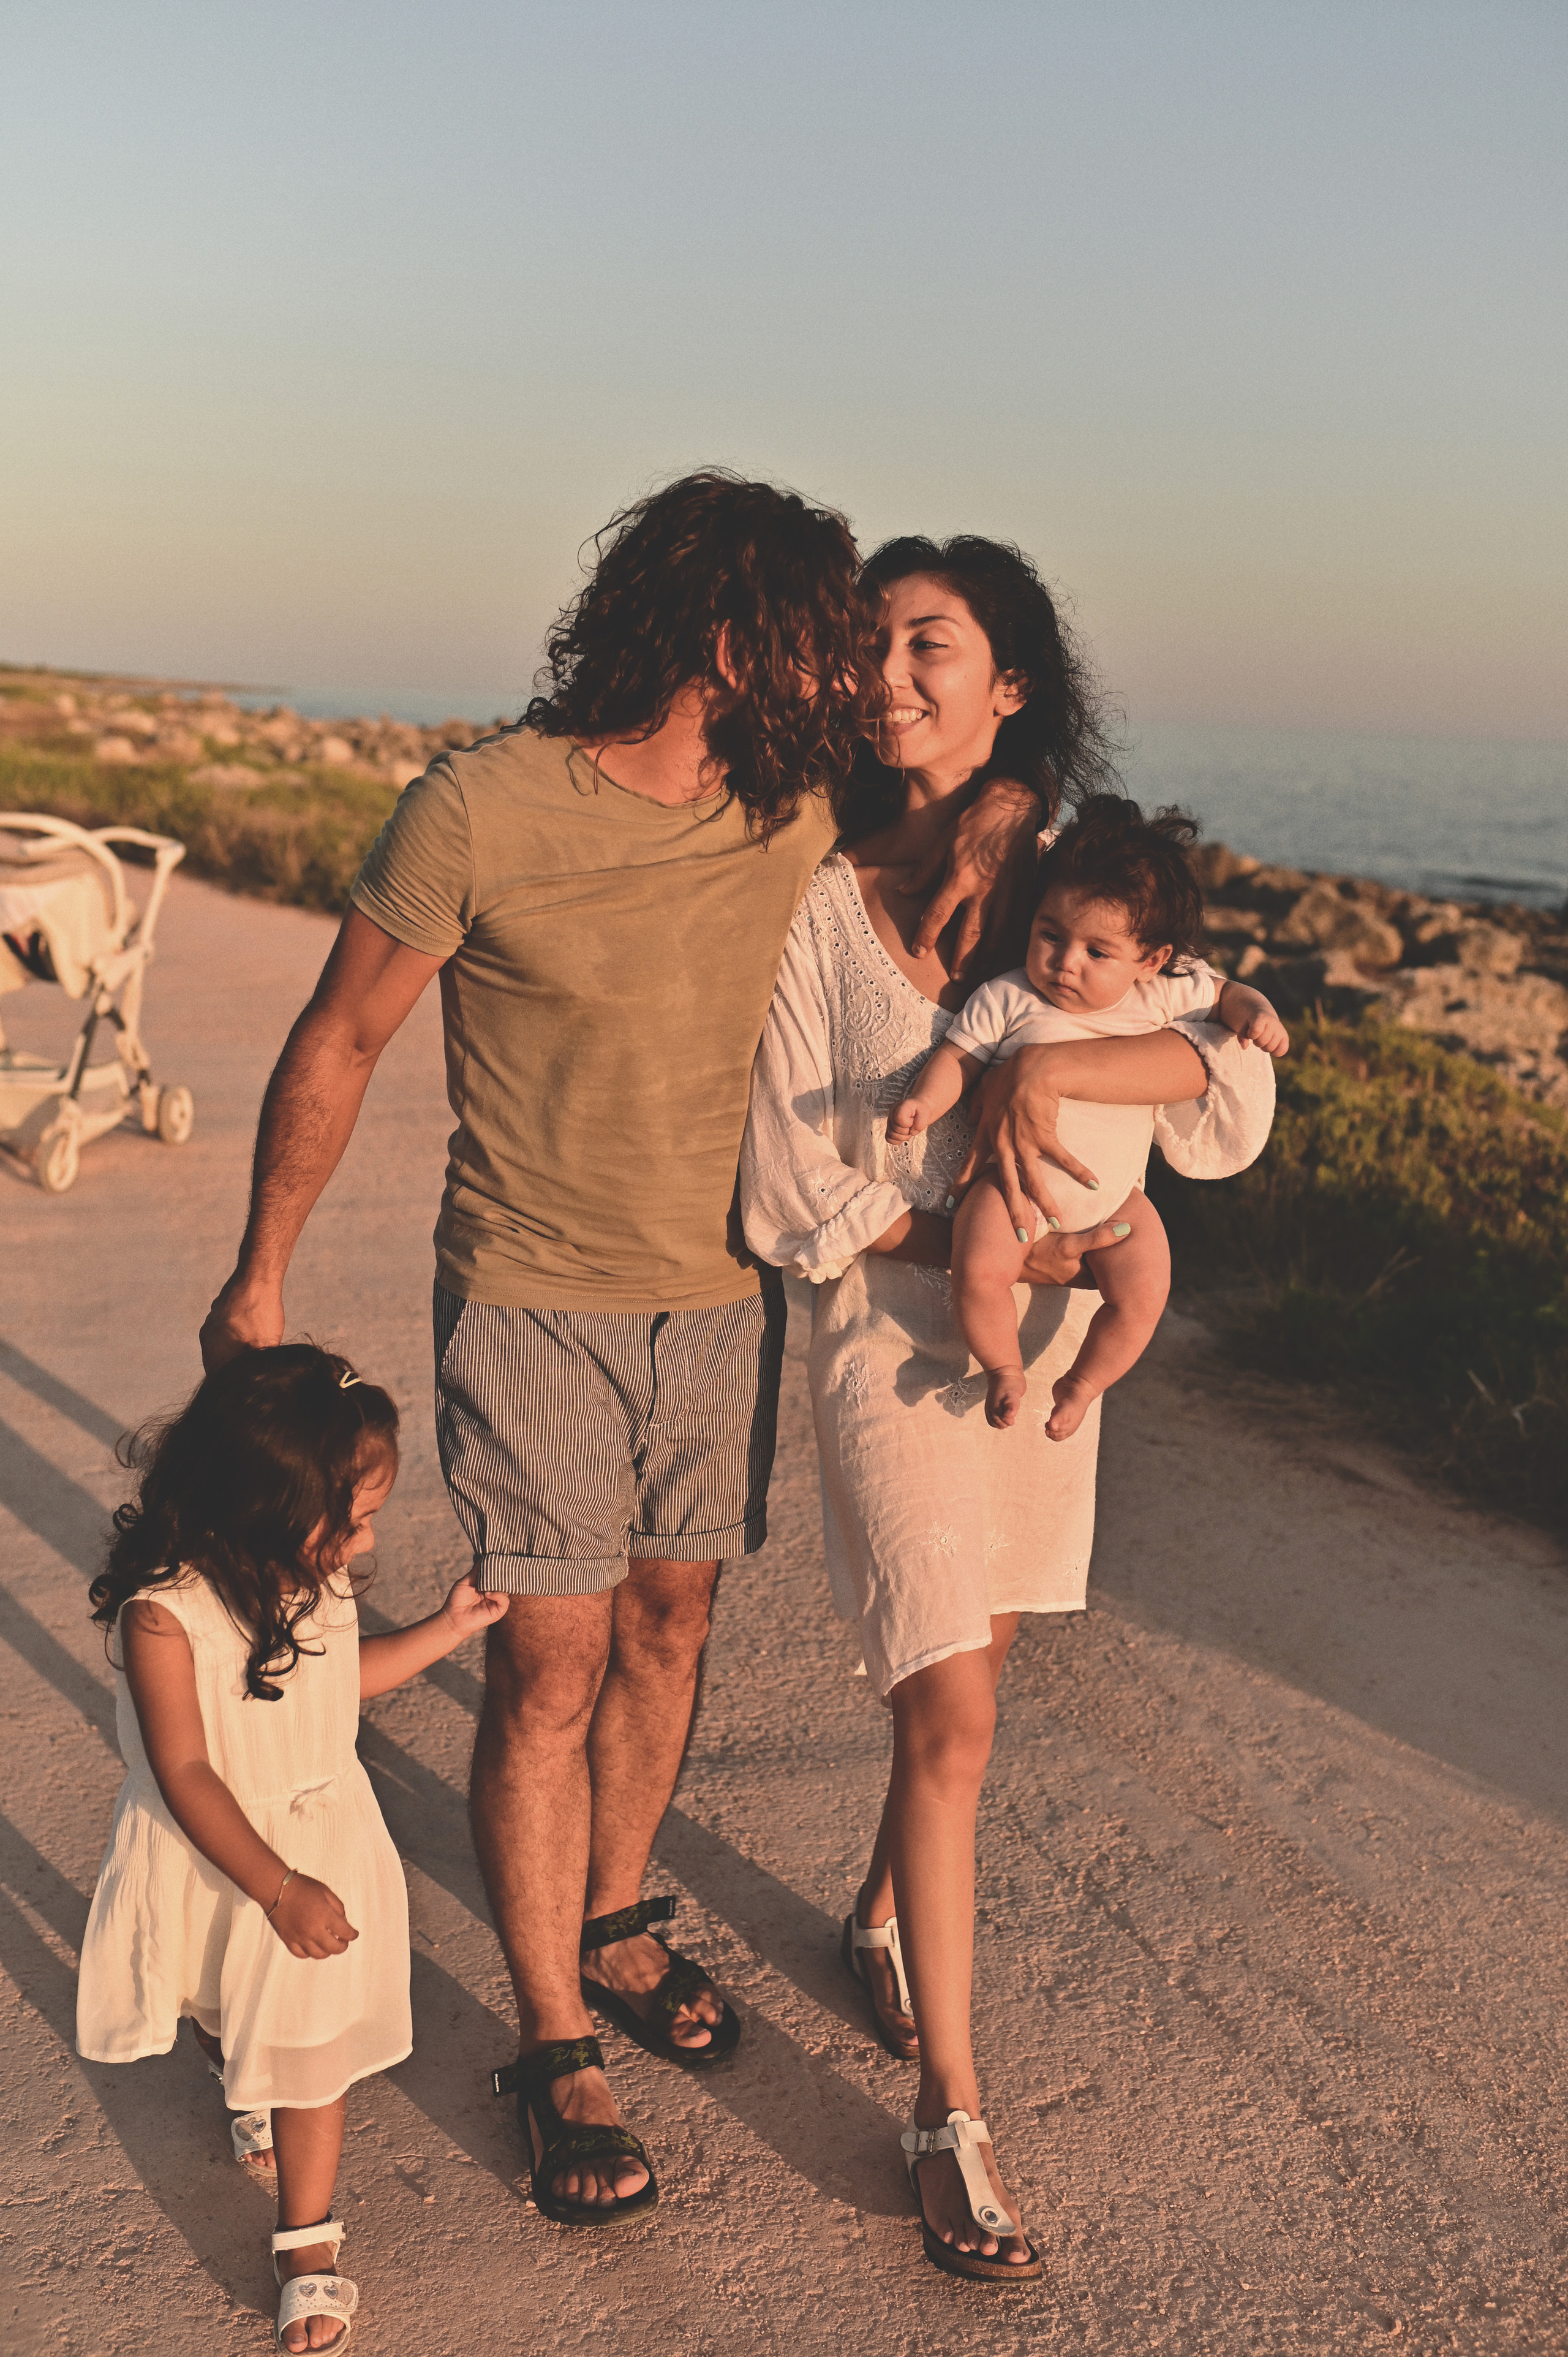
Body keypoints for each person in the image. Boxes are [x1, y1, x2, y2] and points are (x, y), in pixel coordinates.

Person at [198, 473, 1054, 2225]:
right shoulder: (480, 808)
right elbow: (343, 1034)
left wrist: (1010, 826)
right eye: (821, 635)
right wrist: (258, 1271)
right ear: (727, 633)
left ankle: (613, 1901)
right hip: (528, 1293)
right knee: (551, 1661)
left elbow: (960, 823)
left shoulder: (784, 804)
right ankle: (553, 2027)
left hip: (716, 1296)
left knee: (672, 1624)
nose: (850, 673)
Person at [740, 534, 1276, 2285]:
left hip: (1037, 1362)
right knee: (954, 1700)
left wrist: (1062, 1065)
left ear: (1012, 681)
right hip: (895, 1336)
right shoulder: (814, 894)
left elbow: (1234, 1097)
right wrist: (1029, 1256)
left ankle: (887, 1904)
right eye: (871, 646)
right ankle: (951, 2106)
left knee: (980, 1665)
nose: (890, 673)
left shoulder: (1079, 874)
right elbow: (797, 1193)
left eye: (931, 643)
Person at [75, 1345, 507, 2353]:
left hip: (322, 1831)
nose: (366, 1538)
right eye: (352, 1515)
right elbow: (185, 1773)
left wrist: (448, 1627)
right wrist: (273, 1887)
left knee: (312, 2058)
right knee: (221, 2007)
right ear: (266, 1501)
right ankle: (241, 2066)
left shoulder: (317, 1579)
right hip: (226, 1850)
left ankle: (305, 2243)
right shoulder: (165, 1616)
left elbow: (335, 1684)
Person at [890, 795, 1289, 1433]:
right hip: (1014, 1189)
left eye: (1097, 952)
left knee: (1145, 1289)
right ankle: (1003, 1369)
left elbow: (1226, 995)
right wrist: (922, 1103)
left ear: (1150, 958)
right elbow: (958, 1057)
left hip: (1114, 1200)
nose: (1065, 961)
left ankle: (1083, 1383)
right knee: (977, 1267)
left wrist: (1257, 1017)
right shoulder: (1011, 995)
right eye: (1051, 934)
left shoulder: (1156, 996)